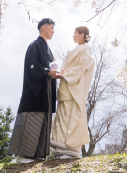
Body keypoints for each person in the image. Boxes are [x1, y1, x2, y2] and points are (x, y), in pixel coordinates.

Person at [7, 17, 60, 163]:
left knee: (42, 123)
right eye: (51, 28)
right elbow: (33, 66)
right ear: (43, 28)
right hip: (34, 92)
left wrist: (54, 73)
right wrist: (47, 72)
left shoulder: (48, 50)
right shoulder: (35, 45)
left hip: (45, 92)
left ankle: (37, 154)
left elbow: (49, 69)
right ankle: (23, 156)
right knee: (31, 122)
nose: (53, 31)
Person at [51, 26, 96, 159]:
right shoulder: (79, 50)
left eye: (75, 33)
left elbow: (80, 68)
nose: (73, 36)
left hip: (72, 87)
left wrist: (65, 75)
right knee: (62, 117)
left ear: (82, 35)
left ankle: (70, 150)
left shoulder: (85, 51)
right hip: (67, 86)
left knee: (69, 117)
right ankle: (61, 149)